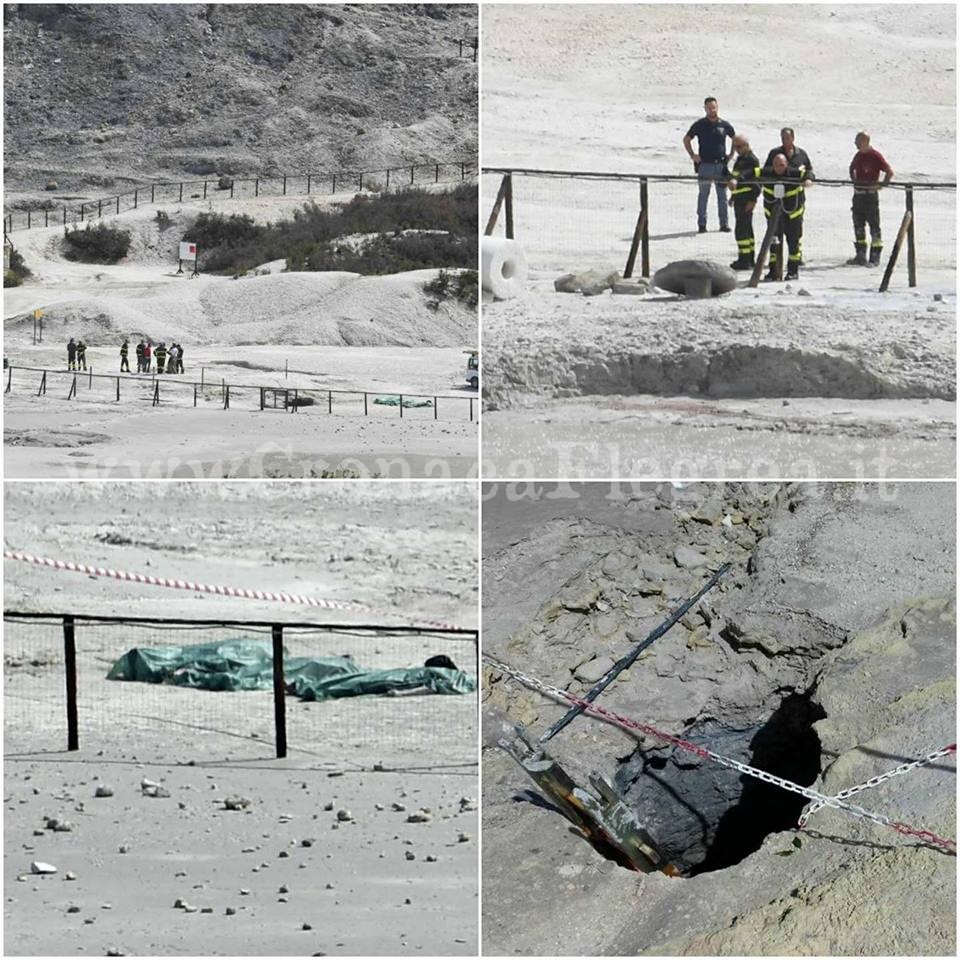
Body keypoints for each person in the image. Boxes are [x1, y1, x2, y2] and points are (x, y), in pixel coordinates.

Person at [682, 97, 735, 233]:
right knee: (703, 195)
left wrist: (731, 154)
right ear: (705, 108)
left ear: (717, 107)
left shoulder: (724, 125)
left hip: (721, 165)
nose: (712, 110)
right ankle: (702, 224)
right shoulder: (699, 125)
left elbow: (735, 138)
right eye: (709, 108)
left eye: (714, 107)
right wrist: (693, 155)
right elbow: (687, 139)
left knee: (722, 196)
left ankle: (724, 224)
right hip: (705, 165)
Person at [761, 153, 810, 282]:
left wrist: (808, 180)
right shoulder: (767, 173)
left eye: (782, 165)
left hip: (793, 217)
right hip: (773, 217)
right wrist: (736, 179)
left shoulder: (794, 173)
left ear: (786, 164)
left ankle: (793, 272)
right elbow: (751, 172)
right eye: (776, 165)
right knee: (774, 244)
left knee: (793, 245)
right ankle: (774, 272)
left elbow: (808, 173)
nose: (779, 168)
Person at [847, 131, 894, 266]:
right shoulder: (858, 156)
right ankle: (860, 255)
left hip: (870, 197)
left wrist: (881, 185)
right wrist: (855, 182)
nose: (855, 143)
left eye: (858, 140)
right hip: (858, 196)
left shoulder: (875, 155)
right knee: (858, 225)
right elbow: (852, 169)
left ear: (865, 141)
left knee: (874, 226)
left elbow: (889, 172)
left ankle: (875, 257)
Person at [725, 136, 762, 270]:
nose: (737, 150)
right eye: (735, 147)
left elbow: (756, 183)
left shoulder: (751, 160)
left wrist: (753, 200)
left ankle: (745, 259)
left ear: (746, 145)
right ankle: (748, 258)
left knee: (742, 231)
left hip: (747, 200)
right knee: (746, 229)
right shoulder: (741, 159)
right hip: (740, 199)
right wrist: (733, 197)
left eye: (739, 147)